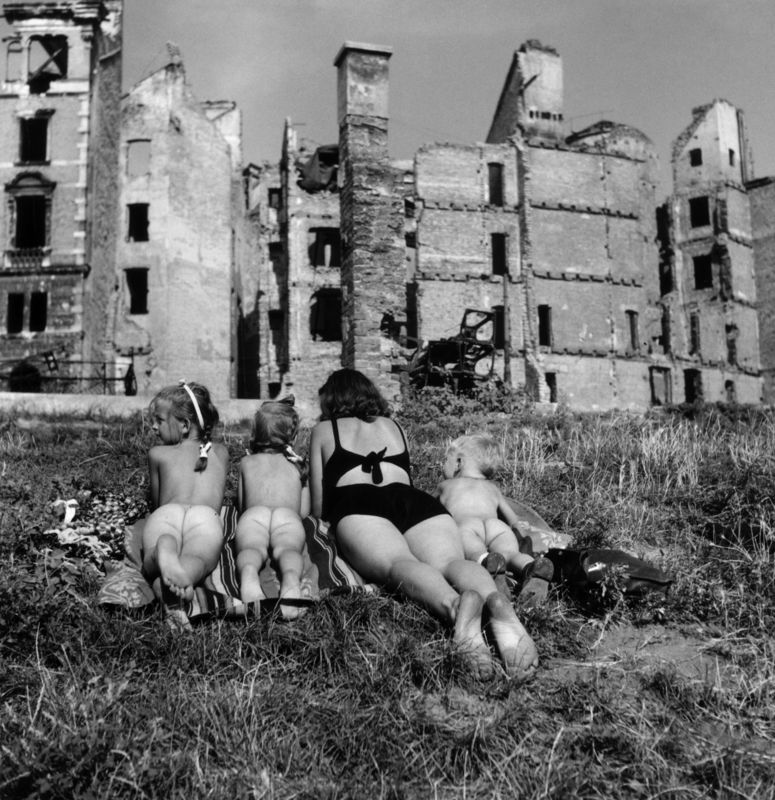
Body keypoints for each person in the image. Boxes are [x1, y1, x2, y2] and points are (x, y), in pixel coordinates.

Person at [308, 368, 538, 681]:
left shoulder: (325, 430)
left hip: (359, 503)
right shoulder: (395, 427)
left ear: (332, 400)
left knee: (398, 562)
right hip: (412, 500)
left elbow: (320, 505)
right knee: (450, 561)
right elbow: (405, 477)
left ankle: (456, 607)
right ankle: (493, 600)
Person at [436, 434, 554, 604]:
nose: (442, 465)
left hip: (467, 526)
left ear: (458, 463)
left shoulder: (444, 486)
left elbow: (427, 512)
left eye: (445, 460)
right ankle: (531, 566)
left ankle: (488, 564)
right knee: (512, 553)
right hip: (496, 526)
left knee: (475, 552)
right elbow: (514, 520)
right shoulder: (493, 488)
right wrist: (522, 537)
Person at [142, 381, 229, 602]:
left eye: (159, 421)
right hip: (205, 516)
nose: (154, 427)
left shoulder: (158, 453)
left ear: (184, 425)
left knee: (150, 565)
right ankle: (186, 578)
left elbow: (158, 503)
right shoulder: (221, 452)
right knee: (199, 558)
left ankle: (162, 550)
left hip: (168, 513)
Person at [236, 396, 309, 618]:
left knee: (251, 549)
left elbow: (242, 504)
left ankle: (249, 577)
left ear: (256, 434)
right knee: (288, 550)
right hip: (287, 517)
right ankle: (290, 581)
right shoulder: (298, 466)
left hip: (254, 514)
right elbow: (303, 511)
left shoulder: (247, 463)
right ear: (293, 436)